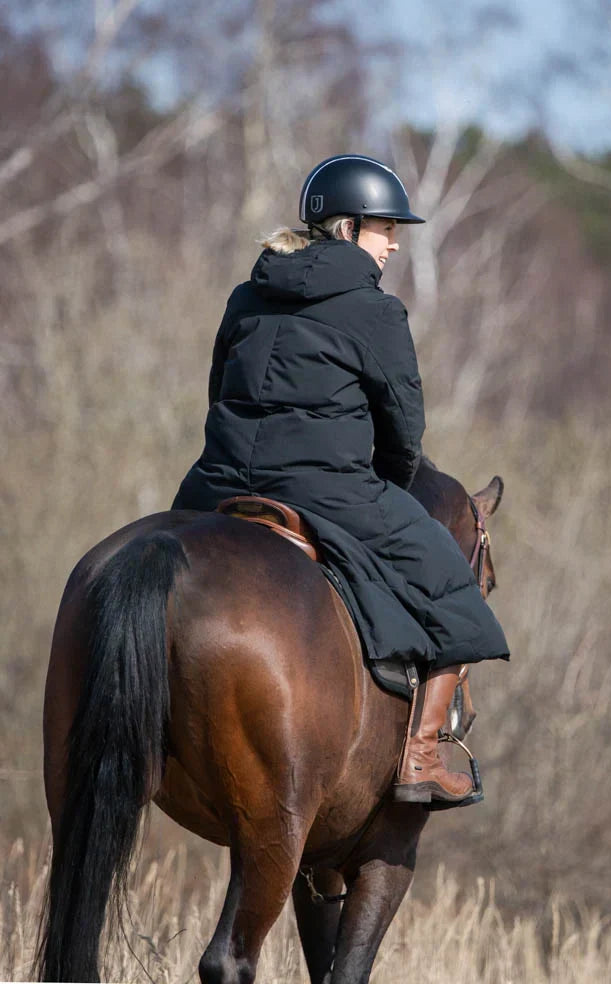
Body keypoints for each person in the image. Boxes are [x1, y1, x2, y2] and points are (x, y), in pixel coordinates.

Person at [172, 154, 509, 805]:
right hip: (330, 490)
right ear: (349, 228)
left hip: (213, 486)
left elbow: (219, 393)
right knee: (455, 588)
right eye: (386, 228)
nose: (395, 242)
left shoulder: (245, 295)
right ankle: (420, 758)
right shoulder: (375, 310)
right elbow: (405, 433)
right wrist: (385, 483)